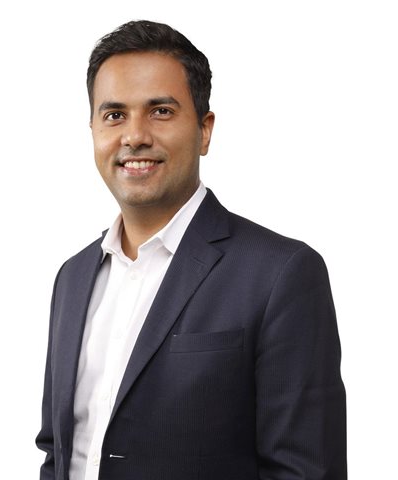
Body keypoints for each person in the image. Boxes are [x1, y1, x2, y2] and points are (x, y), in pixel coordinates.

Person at [36, 20, 347, 480]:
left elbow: (305, 471)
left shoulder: (280, 274)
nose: (134, 136)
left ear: (204, 130)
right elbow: (58, 452)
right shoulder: (73, 276)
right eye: (114, 115)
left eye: (160, 111)